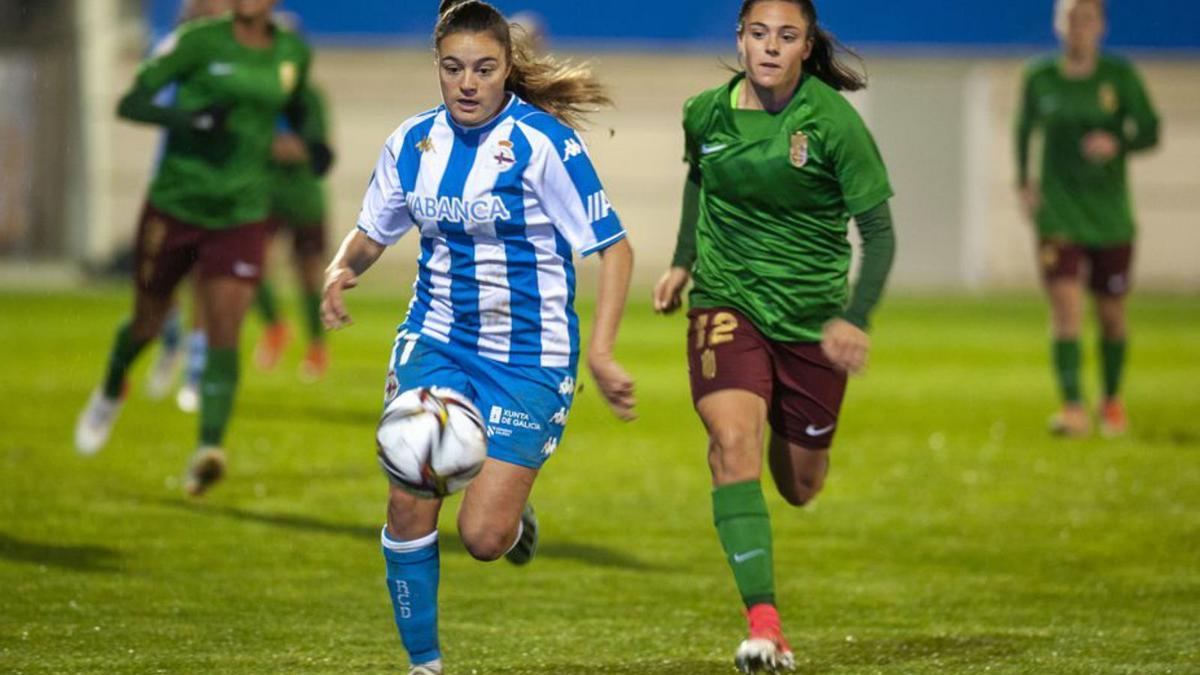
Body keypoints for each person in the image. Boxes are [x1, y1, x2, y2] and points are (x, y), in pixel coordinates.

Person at [321, 2, 635, 673]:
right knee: (409, 493)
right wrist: (341, 266)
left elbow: (614, 249)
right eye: (453, 67)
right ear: (437, 66)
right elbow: (376, 228)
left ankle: (516, 525)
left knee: (483, 536)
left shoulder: (543, 143)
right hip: (436, 337)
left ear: (506, 70)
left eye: (483, 69)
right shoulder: (413, 143)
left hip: (530, 355)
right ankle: (424, 663)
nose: (467, 82)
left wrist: (603, 353)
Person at [653, 0, 896, 671]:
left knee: (800, 484)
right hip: (726, 302)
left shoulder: (833, 123)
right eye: (758, 33)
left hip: (810, 321)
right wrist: (682, 261)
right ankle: (765, 624)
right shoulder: (705, 112)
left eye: (786, 36)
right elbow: (698, 180)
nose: (769, 47)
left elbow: (878, 233)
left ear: (805, 45)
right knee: (732, 443)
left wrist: (856, 316)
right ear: (740, 39)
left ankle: (796, 466)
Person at [74, 0, 313, 497]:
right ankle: (112, 386)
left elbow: (296, 105)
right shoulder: (199, 41)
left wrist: (312, 141)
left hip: (242, 212)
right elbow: (131, 102)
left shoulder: (291, 51)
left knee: (225, 327)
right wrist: (191, 120)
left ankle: (208, 447)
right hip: (176, 204)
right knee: (148, 321)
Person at [1015, 0, 1159, 438]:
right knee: (1065, 307)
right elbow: (1024, 130)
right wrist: (1024, 181)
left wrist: (1117, 141)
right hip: (1058, 211)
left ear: (1101, 25)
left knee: (1112, 313)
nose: (1079, 27)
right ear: (1059, 25)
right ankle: (1073, 408)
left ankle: (1111, 402)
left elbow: (1150, 130)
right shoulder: (1040, 77)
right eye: (1071, 18)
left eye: (1087, 18)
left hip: (1109, 214)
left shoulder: (1120, 77)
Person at [250, 76, 336, 382]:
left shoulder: (309, 97)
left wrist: (277, 147)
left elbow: (319, 149)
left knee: (309, 276)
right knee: (250, 264)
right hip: (263, 195)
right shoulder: (255, 93)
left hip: (304, 198)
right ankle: (275, 327)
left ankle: (316, 345)